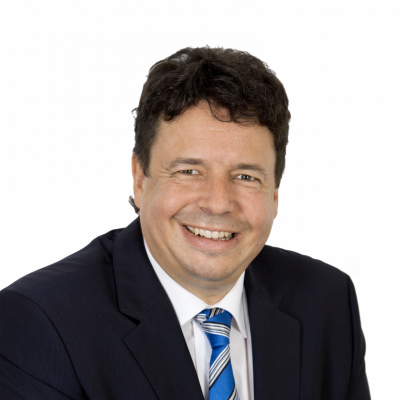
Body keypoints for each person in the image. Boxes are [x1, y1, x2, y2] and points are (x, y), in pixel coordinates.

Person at [0, 45, 369, 400]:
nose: (218, 203)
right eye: (189, 171)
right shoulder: (40, 321)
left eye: (246, 177)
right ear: (140, 180)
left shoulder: (327, 300)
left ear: (274, 194)